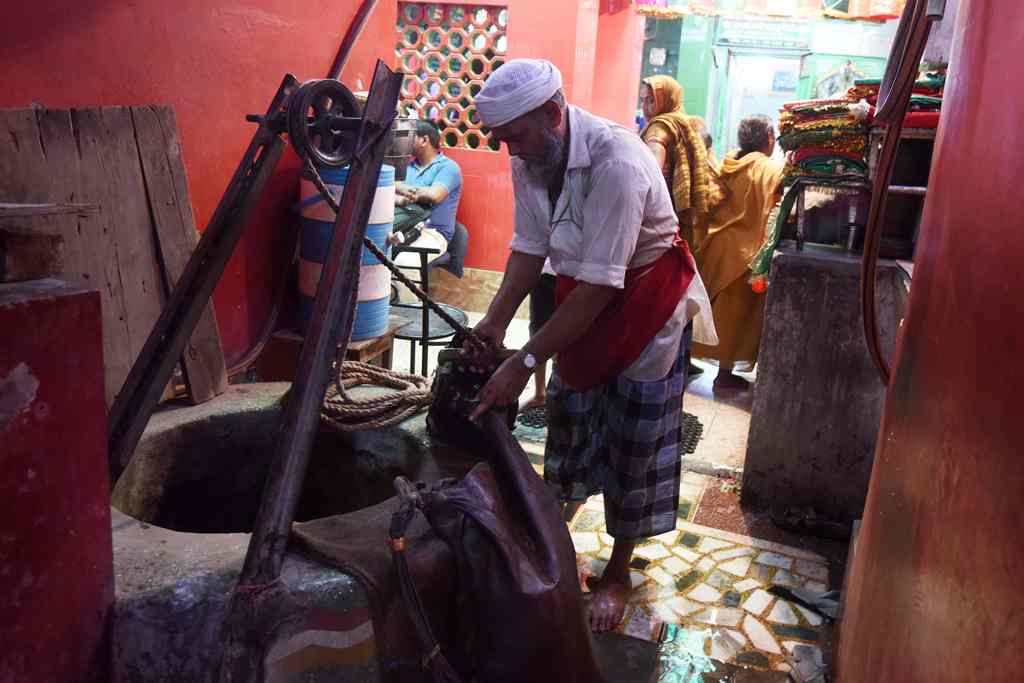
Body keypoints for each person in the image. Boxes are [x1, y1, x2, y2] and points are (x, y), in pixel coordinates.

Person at [466, 59, 716, 633]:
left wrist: (524, 360)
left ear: (553, 115)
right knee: (572, 423)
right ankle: (552, 534)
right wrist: (494, 326)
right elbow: (529, 249)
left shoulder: (619, 161)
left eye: (517, 138)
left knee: (635, 442)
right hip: (586, 296)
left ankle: (618, 571)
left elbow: (606, 285)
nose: (511, 152)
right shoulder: (533, 156)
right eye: (502, 141)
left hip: (645, 303)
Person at [690, 115, 783, 389]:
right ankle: (725, 374)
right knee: (732, 318)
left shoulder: (729, 161)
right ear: (768, 137)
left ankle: (683, 361)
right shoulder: (768, 169)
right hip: (742, 253)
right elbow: (778, 199)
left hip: (714, 245)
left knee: (703, 310)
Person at [639, 75, 718, 379]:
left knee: (657, 304)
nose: (646, 106)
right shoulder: (683, 122)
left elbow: (648, 174)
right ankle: (675, 369)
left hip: (657, 226)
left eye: (651, 100)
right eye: (644, 99)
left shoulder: (660, 129)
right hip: (677, 226)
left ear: (665, 100)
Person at [389, 120, 462, 261]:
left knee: (405, 261)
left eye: (409, 136)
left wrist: (400, 187)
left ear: (424, 140)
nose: (403, 140)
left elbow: (434, 195)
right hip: (404, 228)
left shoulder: (449, 167)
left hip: (433, 233)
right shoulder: (407, 166)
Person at [522, 259, 556, 411]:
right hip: (545, 272)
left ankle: (556, 391)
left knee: (569, 332)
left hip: (577, 276)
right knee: (537, 333)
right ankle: (540, 394)